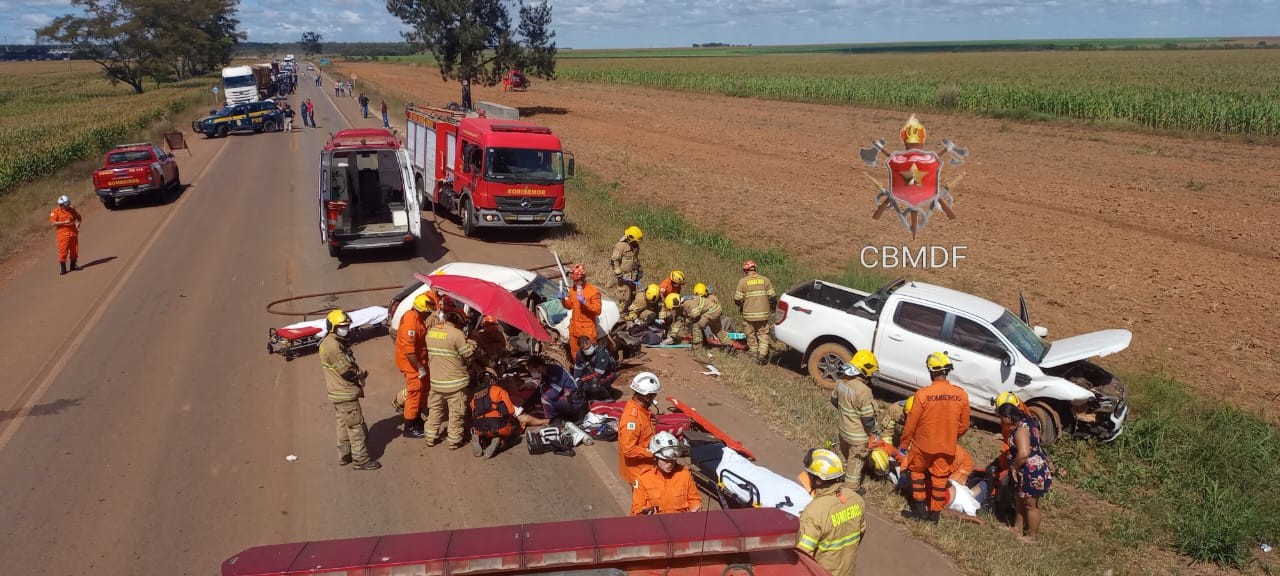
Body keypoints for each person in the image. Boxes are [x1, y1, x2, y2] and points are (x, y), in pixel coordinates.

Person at [898, 352, 971, 522]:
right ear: (947, 371)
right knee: (940, 478)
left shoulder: (923, 394)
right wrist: (951, 436)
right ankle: (934, 515)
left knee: (916, 473)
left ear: (931, 371)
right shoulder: (961, 395)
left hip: (923, 446)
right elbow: (964, 425)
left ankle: (919, 511)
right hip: (947, 446)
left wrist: (904, 444)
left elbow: (911, 424)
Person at [319, 309, 380, 470]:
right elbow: (346, 371)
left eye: (346, 326)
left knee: (343, 423)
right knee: (356, 426)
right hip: (344, 393)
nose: (345, 329)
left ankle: (344, 454)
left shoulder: (332, 341)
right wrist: (360, 375)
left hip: (337, 392)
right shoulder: (333, 346)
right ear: (332, 327)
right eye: (342, 326)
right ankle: (361, 459)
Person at [796, 448, 865, 576]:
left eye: (809, 475)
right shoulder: (856, 499)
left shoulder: (814, 512)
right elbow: (860, 534)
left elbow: (803, 555)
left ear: (818, 480)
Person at [999, 399, 1052, 543]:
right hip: (1027, 469)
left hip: (1031, 471)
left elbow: (1023, 454)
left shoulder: (1021, 430)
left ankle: (1032, 536)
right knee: (1020, 499)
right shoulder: (1027, 421)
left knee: (1030, 504)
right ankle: (1017, 528)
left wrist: (1014, 467)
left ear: (1008, 417)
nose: (1001, 422)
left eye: (1002, 418)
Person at [424, 308, 477, 449]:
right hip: (455, 385)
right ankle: (454, 441)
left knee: (435, 410)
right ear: (458, 321)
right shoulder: (457, 334)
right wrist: (472, 343)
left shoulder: (431, 332)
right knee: (456, 413)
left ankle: (430, 437)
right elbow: (467, 354)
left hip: (436, 382)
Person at [833, 351, 880, 492]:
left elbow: (834, 400)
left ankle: (838, 477)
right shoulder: (863, 390)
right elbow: (868, 418)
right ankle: (851, 489)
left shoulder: (841, 381)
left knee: (844, 456)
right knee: (856, 462)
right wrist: (875, 432)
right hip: (858, 437)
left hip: (843, 430)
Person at [631, 431, 702, 515]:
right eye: (665, 460)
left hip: (681, 524)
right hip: (655, 525)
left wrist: (695, 508)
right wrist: (645, 513)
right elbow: (636, 510)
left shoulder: (685, 474)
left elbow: (694, 499)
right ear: (655, 458)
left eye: (672, 460)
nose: (670, 464)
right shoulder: (643, 479)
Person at [395, 292, 435, 439]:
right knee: (415, 393)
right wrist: (420, 368)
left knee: (423, 390)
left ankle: (417, 418)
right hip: (412, 364)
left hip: (418, 361)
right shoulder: (411, 323)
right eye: (427, 313)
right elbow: (409, 352)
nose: (428, 316)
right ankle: (410, 425)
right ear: (421, 309)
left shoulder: (416, 318)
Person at [619, 372, 661, 486]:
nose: (654, 398)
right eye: (654, 395)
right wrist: (653, 453)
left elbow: (644, 432)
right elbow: (628, 450)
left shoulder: (641, 411)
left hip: (645, 468)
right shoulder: (632, 420)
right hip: (639, 472)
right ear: (647, 396)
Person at [733, 260, 777, 364]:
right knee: (763, 335)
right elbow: (773, 297)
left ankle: (753, 354)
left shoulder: (743, 282)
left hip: (749, 315)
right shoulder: (765, 280)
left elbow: (737, 299)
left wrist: (741, 306)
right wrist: (772, 308)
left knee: (750, 334)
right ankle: (762, 354)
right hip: (763, 315)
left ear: (745, 270)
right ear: (755, 269)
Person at [560, 263, 602, 359]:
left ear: (583, 278)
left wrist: (585, 302)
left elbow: (598, 310)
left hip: (587, 330)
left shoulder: (593, 292)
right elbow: (570, 306)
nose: (575, 283)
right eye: (574, 281)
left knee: (591, 355)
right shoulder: (572, 290)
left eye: (577, 281)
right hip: (575, 329)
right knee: (575, 355)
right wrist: (562, 300)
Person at [470, 378, 520, 459]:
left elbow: (473, 413)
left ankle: (479, 438)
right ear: (493, 380)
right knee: (513, 429)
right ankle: (500, 440)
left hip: (479, 428)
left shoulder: (475, 395)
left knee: (482, 427)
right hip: (498, 427)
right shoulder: (499, 390)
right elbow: (511, 411)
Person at [529, 355, 585, 422]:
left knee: (545, 398)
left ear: (539, 367)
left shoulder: (554, 372)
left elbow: (553, 394)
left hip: (574, 400)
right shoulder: (545, 371)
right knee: (541, 392)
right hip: (566, 395)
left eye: (532, 370)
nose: (531, 373)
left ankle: (552, 420)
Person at [572, 335, 617, 400]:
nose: (587, 349)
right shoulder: (579, 354)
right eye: (584, 348)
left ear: (590, 342)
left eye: (588, 346)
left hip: (607, 373)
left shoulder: (601, 352)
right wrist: (577, 379)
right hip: (591, 373)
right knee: (579, 385)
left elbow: (598, 373)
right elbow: (578, 368)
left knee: (594, 384)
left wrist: (582, 380)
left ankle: (607, 397)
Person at [610, 225, 643, 305]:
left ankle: (628, 309)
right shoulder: (621, 246)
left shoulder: (635, 247)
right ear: (629, 238)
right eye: (635, 240)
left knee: (632, 294)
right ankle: (621, 311)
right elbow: (615, 259)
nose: (636, 242)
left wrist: (639, 270)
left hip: (632, 275)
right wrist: (618, 271)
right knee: (624, 294)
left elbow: (635, 259)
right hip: (623, 275)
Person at [49, 195, 81, 275]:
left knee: (75, 251)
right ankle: (63, 269)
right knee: (63, 251)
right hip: (63, 235)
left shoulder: (72, 210)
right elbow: (53, 223)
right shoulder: (55, 212)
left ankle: (73, 266)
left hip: (73, 233)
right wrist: (64, 222)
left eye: (68, 203)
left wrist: (78, 223)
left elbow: (78, 217)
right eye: (66, 204)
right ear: (61, 204)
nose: (68, 206)